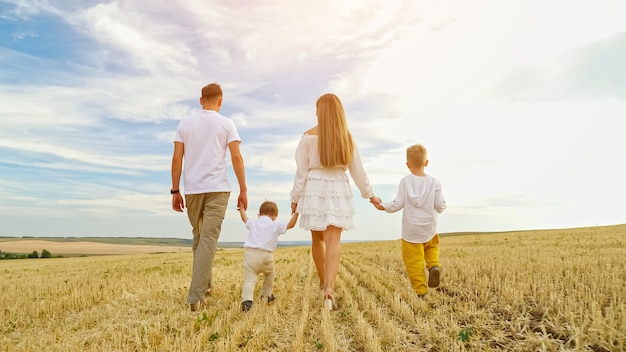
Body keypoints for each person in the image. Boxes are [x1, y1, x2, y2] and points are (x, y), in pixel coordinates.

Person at [289, 93, 378, 310]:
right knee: (333, 241)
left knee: (317, 240)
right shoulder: (347, 138)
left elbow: (300, 173)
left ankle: (322, 284)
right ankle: (330, 288)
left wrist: (295, 198)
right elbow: (359, 172)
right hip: (337, 188)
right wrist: (370, 195)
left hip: (314, 189)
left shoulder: (307, 137)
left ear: (320, 111)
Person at [170, 82, 248, 312]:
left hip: (192, 190)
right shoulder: (227, 124)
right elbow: (237, 158)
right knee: (206, 240)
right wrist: (243, 189)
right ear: (221, 101)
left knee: (201, 239)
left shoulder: (185, 123)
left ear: (201, 100)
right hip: (218, 189)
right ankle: (196, 297)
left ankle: (205, 286)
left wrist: (175, 190)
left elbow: (177, 159)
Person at [371, 143, 447, 297]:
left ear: (407, 165)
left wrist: (382, 206)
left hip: (411, 230)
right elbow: (440, 205)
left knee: (414, 261)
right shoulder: (435, 182)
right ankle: (433, 266)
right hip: (429, 227)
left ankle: (421, 290)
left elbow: (397, 203)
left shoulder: (405, 182)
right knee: (432, 247)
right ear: (426, 163)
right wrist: (441, 208)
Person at [238, 200, 299, 311]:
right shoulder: (275, 224)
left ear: (259, 214)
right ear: (275, 216)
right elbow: (291, 225)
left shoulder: (253, 222)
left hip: (250, 255)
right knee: (270, 274)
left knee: (249, 280)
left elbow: (244, 218)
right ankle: (266, 295)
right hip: (266, 256)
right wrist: (296, 213)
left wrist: (241, 208)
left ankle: (247, 301)